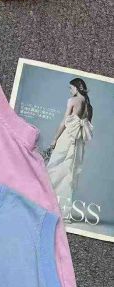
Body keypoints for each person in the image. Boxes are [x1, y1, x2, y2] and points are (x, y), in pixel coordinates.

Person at [47, 77, 93, 217]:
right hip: (78, 141)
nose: (70, 90)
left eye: (71, 87)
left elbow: (64, 122)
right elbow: (86, 126)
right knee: (69, 173)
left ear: (77, 88)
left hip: (67, 137)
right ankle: (63, 211)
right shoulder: (89, 107)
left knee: (54, 166)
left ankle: (45, 202)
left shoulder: (73, 101)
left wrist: (54, 139)